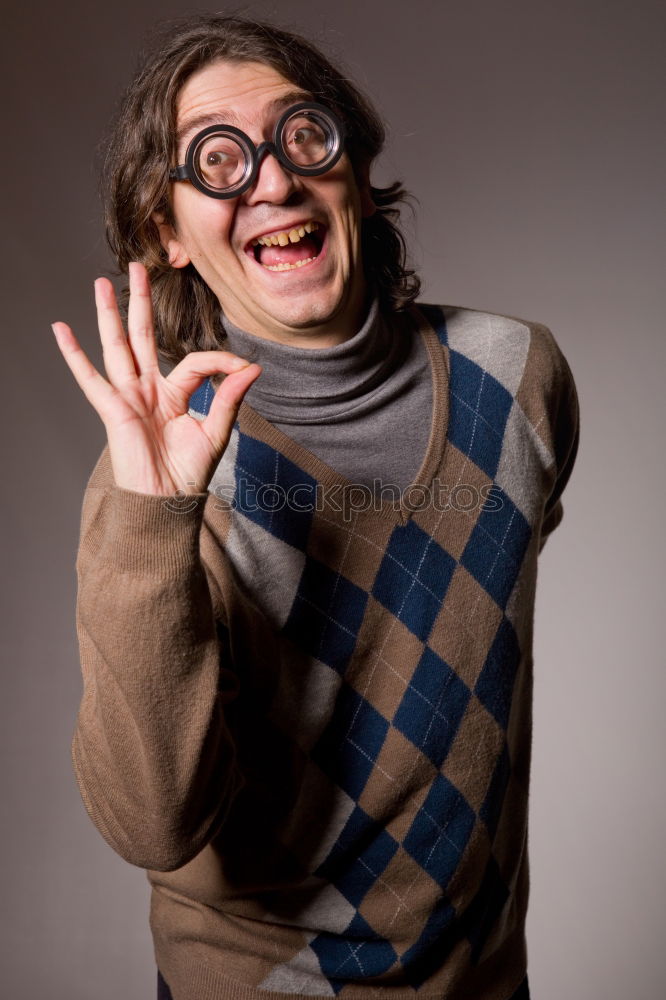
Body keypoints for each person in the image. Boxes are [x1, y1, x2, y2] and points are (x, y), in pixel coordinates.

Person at [53, 14, 579, 1000]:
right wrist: (151, 522)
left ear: (352, 166)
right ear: (165, 230)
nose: (271, 181)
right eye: (216, 158)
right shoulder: (158, 481)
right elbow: (150, 822)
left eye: (301, 136)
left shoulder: (518, 380)